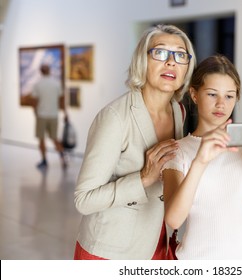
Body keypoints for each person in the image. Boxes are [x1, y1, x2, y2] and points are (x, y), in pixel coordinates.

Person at [73, 24, 196, 260]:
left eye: (180, 55)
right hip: (111, 250)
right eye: (160, 52)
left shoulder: (178, 111)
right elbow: (84, 200)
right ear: (142, 60)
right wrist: (143, 178)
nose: (171, 62)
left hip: (156, 240)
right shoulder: (115, 118)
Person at [162, 55, 242, 260]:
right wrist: (200, 161)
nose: (221, 103)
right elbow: (174, 220)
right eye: (212, 94)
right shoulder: (178, 151)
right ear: (194, 94)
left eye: (229, 96)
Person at [31, 64, 67, 170]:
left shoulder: (37, 84)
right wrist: (65, 113)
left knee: (41, 139)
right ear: (49, 71)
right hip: (53, 115)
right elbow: (61, 100)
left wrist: (35, 113)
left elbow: (34, 102)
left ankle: (44, 160)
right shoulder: (56, 84)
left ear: (41, 72)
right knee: (55, 138)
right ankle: (62, 158)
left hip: (42, 115)